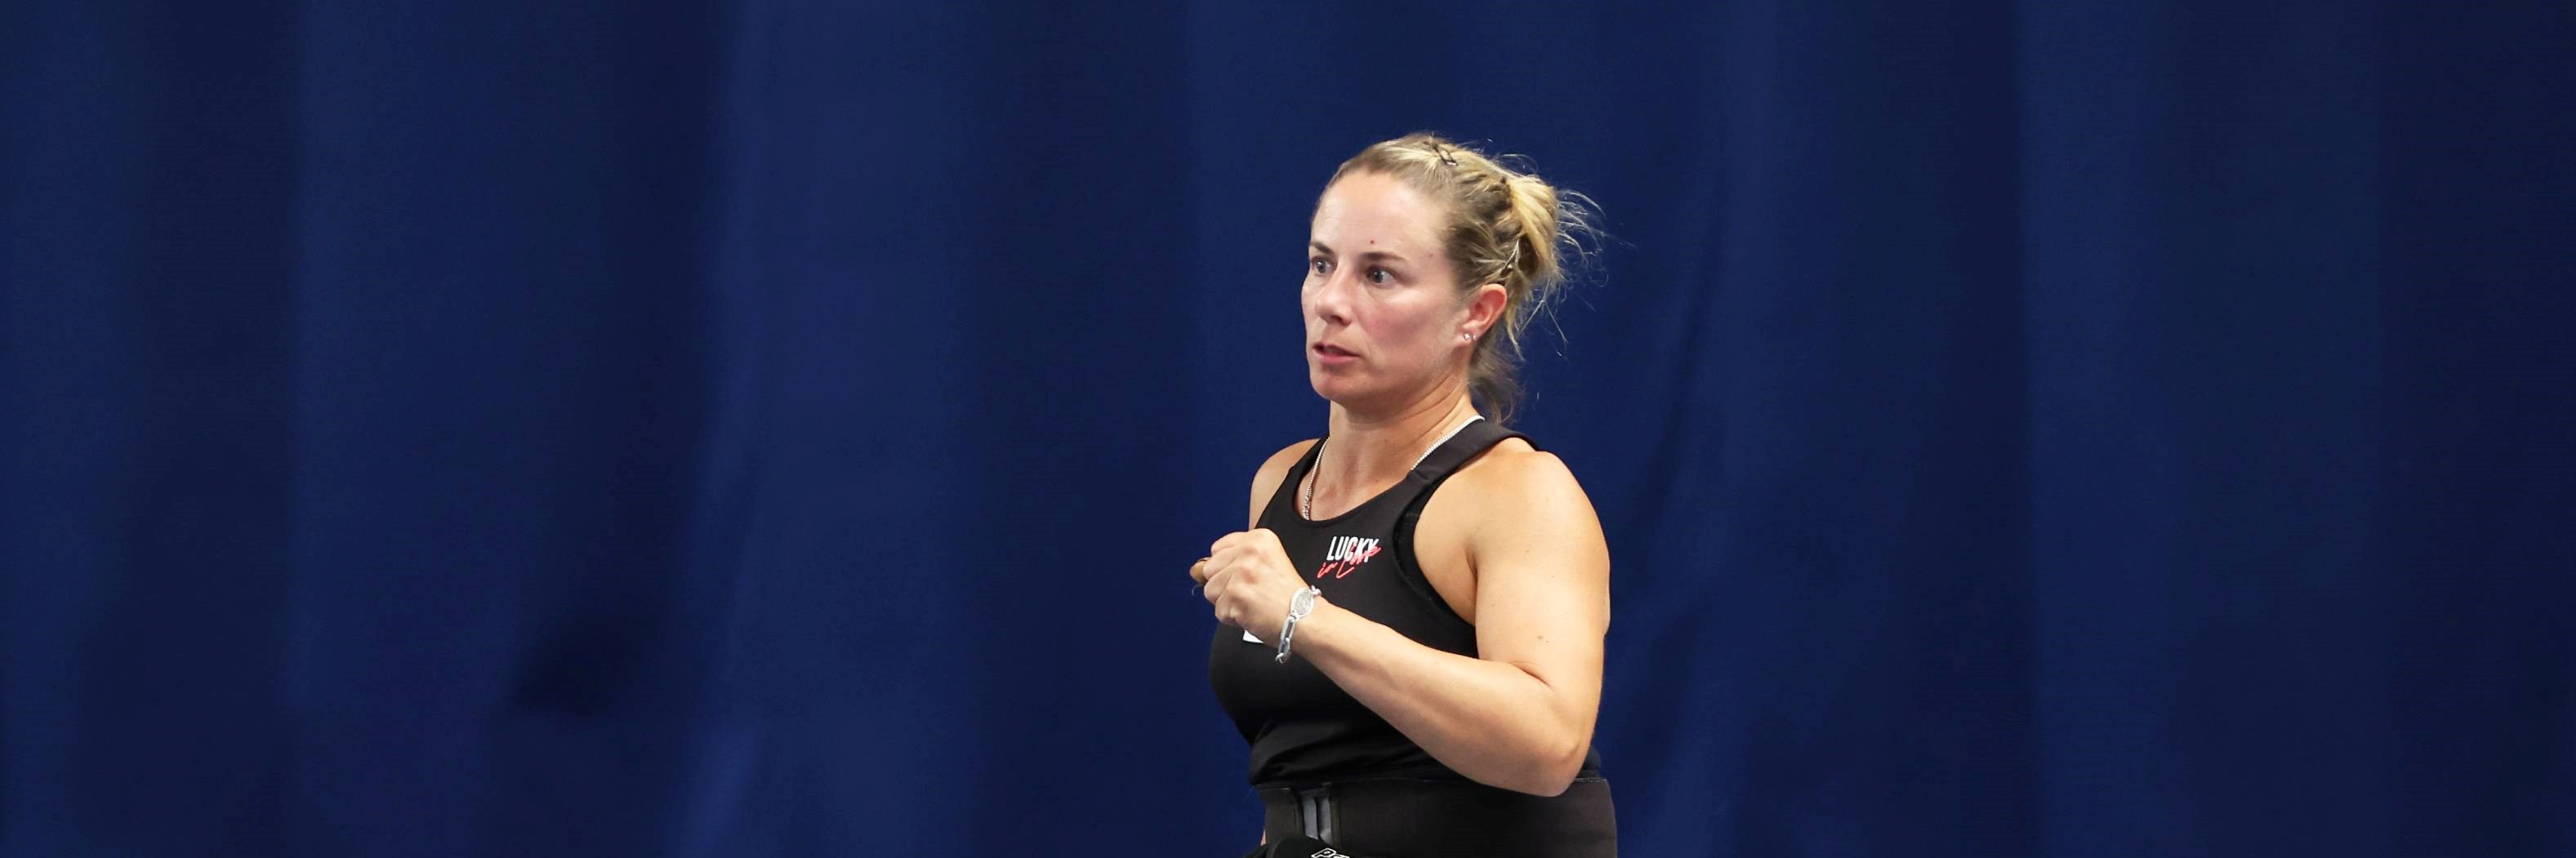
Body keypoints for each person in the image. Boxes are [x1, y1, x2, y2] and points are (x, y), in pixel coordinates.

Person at [1192, 133, 1616, 857]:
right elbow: (1306, 760)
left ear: (1475, 312)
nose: (1331, 302)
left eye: (1379, 275)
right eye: (1321, 264)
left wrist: (1304, 616)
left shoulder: (1516, 491)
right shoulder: (1281, 481)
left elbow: (1549, 744)